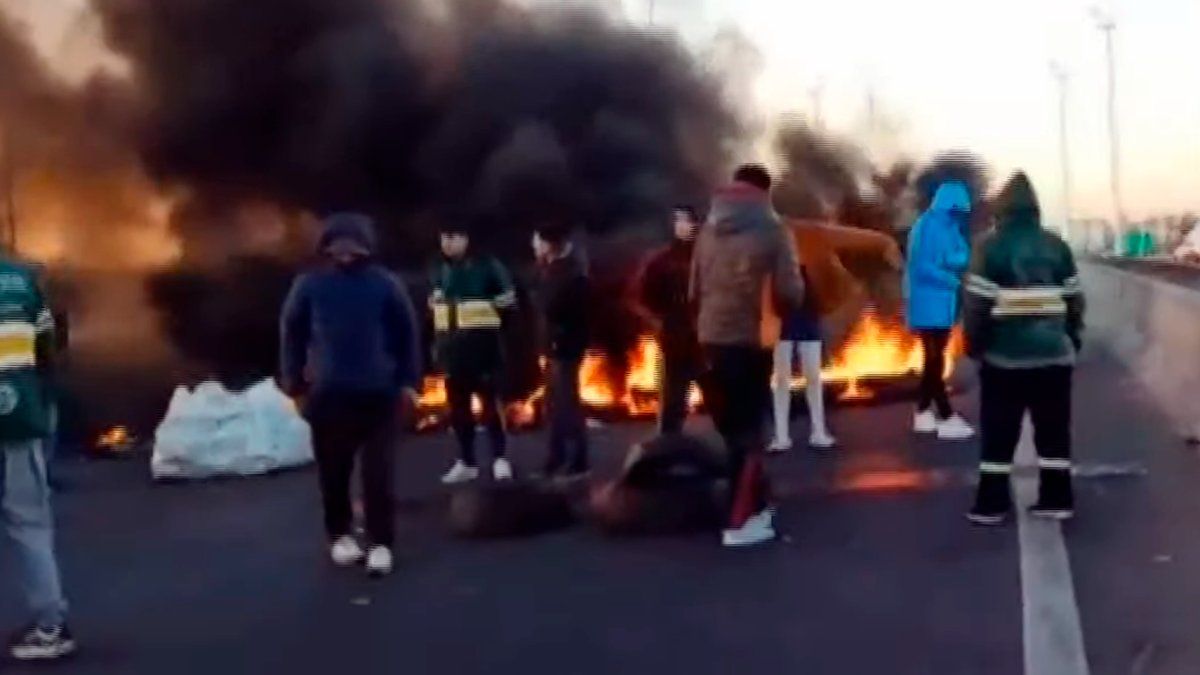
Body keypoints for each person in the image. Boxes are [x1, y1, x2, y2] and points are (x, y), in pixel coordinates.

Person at [280, 212, 420, 577]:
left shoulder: (385, 284)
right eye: (336, 244)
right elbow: (292, 333)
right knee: (334, 473)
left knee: (379, 474)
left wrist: (409, 382)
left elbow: (407, 334)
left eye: (352, 244)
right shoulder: (309, 285)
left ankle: (381, 543)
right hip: (328, 397)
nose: (344, 251)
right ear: (326, 247)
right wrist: (294, 382)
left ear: (365, 246)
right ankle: (339, 535)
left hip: (380, 396)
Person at [691, 164, 805, 548]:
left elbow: (693, 290)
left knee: (730, 428)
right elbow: (791, 291)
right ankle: (741, 521)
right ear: (764, 192)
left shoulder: (707, 230)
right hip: (751, 340)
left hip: (710, 338)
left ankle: (753, 501)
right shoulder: (774, 231)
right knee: (750, 432)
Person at [963, 172, 1084, 524]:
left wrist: (976, 344)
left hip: (1005, 358)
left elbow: (976, 304)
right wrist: (1071, 338)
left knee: (999, 434)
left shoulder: (990, 247)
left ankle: (991, 504)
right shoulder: (1056, 245)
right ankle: (1058, 498)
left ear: (1002, 208)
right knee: (1054, 431)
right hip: (1054, 356)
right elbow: (1075, 300)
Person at [771, 204, 904, 452]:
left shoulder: (803, 235)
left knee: (808, 375)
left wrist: (885, 243)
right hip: (784, 319)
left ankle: (809, 431)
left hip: (801, 315)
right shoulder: (788, 237)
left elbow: (855, 239)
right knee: (789, 377)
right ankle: (787, 434)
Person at [0, 257, 76, 661]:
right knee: (29, 523)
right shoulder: (22, 281)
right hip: (20, 416)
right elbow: (50, 346)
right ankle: (50, 627)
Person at [430, 225, 517, 484]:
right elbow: (437, 311)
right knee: (459, 411)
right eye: (443, 237)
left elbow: (508, 305)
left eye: (452, 237)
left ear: (466, 238)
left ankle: (500, 459)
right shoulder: (439, 269)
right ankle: (466, 461)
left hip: (483, 349)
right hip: (452, 352)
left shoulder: (488, 266)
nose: (447, 243)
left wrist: (496, 341)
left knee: (490, 407)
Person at [904, 180, 975, 440]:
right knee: (934, 360)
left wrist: (952, 265)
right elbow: (921, 266)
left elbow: (963, 255)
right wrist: (950, 277)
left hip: (943, 302)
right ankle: (945, 415)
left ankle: (923, 412)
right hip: (927, 301)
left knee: (934, 359)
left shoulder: (950, 227)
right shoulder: (926, 227)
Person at [532, 224, 591, 480]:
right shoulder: (553, 270)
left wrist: (558, 341)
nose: (534, 247)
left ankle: (577, 461)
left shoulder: (570, 273)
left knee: (567, 406)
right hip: (555, 347)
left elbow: (560, 310)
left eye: (537, 242)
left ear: (548, 243)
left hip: (565, 349)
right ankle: (555, 460)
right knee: (555, 406)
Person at [637, 205, 702, 435]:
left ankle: (737, 458)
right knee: (673, 397)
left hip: (708, 338)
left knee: (722, 400)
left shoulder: (707, 258)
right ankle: (667, 444)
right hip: (676, 339)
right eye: (681, 221)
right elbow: (640, 298)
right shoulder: (660, 261)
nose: (687, 226)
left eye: (691, 221)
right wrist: (657, 323)